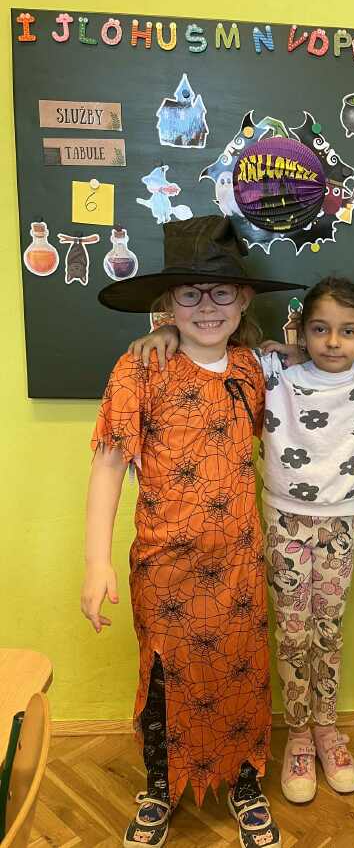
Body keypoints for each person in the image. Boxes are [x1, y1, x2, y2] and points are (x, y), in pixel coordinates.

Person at [130, 275, 354, 805]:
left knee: (329, 632)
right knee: (293, 635)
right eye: (320, 330)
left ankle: (327, 730)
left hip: (340, 524)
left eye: (348, 331)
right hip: (284, 523)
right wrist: (164, 331)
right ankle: (298, 735)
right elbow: (208, 345)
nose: (333, 342)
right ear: (302, 330)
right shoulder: (272, 371)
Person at [80, 215, 303, 848]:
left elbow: (328, 368)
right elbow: (109, 463)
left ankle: (244, 784)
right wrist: (95, 562)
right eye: (189, 294)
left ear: (245, 298)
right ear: (167, 303)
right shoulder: (140, 370)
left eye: (221, 292)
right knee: (164, 680)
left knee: (242, 673)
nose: (207, 306)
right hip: (164, 567)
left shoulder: (253, 368)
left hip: (238, 564)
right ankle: (160, 786)